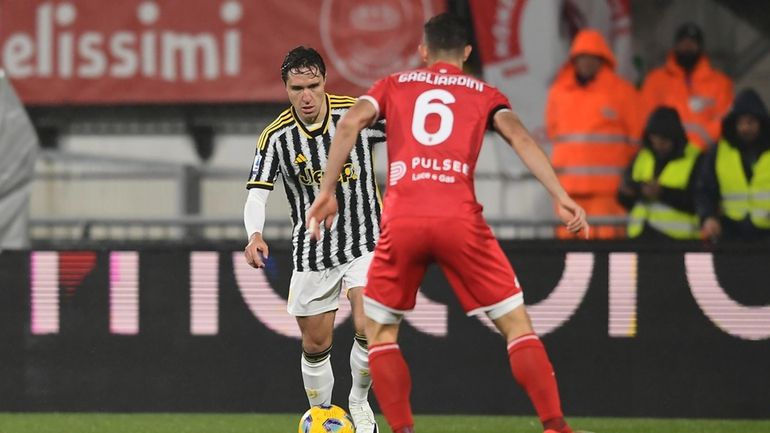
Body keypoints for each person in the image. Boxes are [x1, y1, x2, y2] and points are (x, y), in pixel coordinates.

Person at [307, 13, 589, 433]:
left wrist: (326, 191)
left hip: (402, 219)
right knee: (516, 327)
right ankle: (555, 426)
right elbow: (521, 138)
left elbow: (348, 123)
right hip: (459, 217)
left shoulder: (394, 85)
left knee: (381, 336)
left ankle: (402, 428)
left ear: (423, 51)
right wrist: (561, 196)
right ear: (468, 53)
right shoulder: (483, 92)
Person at [242, 46, 382, 433]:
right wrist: (254, 233)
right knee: (316, 344)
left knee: (370, 323)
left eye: (313, 86)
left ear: (325, 82)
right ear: (285, 87)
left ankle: (358, 401)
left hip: (367, 240)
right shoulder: (276, 136)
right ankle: (323, 417)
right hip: (314, 249)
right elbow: (257, 192)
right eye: (296, 87)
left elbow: (407, 129)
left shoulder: (356, 113)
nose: (305, 96)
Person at [546, 29, 642, 239]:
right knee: (567, 255)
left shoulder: (623, 92)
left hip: (608, 193)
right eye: (581, 57)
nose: (586, 63)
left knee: (605, 251)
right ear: (574, 60)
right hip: (568, 192)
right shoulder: (558, 92)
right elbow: (554, 133)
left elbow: (637, 140)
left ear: (602, 60)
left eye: (592, 57)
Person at [641, 23, 733, 149]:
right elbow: (647, 117)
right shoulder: (655, 80)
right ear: (676, 46)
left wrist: (698, 143)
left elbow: (725, 119)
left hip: (706, 154)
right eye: (684, 43)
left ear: (700, 47)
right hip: (667, 153)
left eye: (692, 43)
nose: (687, 47)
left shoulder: (720, 82)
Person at [618, 107, 704, 240]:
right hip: (639, 236)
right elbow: (624, 194)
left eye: (664, 139)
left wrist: (662, 193)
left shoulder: (696, 159)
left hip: (678, 241)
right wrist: (637, 191)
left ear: (675, 137)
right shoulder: (643, 156)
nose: (658, 144)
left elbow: (699, 201)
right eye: (654, 138)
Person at [697, 88, 770, 242]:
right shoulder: (719, 152)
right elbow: (705, 189)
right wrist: (708, 216)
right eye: (740, 123)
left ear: (761, 122)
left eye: (750, 122)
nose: (745, 128)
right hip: (731, 233)